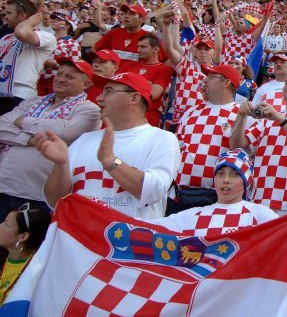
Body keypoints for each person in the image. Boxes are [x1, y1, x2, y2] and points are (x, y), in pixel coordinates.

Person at [35, 72, 180, 219]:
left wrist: (111, 161)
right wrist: (61, 164)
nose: (99, 98)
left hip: (125, 239)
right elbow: (55, 201)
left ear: (134, 97)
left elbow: (153, 192)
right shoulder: (84, 140)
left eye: (108, 91)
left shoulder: (162, 139)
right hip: (77, 238)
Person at [0, 58, 101, 221]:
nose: (61, 79)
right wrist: (30, 140)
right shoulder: (33, 101)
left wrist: (23, 121)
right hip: (3, 186)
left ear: (86, 84)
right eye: (59, 73)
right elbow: (1, 126)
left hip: (36, 195)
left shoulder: (89, 110)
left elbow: (65, 131)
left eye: (69, 77)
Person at [230, 70, 287, 214]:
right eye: (286, 82)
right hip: (259, 201)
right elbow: (236, 145)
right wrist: (241, 116)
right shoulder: (268, 119)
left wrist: (280, 119)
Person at [149, 149, 279, 237]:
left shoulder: (259, 214)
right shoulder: (196, 215)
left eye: (234, 175)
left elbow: (286, 236)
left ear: (246, 182)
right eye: (221, 174)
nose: (226, 180)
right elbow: (153, 227)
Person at [170, 64, 242, 213]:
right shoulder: (191, 111)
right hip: (180, 196)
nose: (205, 80)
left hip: (219, 199)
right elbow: (177, 148)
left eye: (211, 76)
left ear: (226, 82)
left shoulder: (241, 114)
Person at [0, 0, 56, 115]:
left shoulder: (46, 36)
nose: (5, 16)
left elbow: (21, 32)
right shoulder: (6, 38)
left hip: (19, 95)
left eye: (9, 13)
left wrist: (30, 21)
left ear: (23, 16)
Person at [0, 203, 51, 303]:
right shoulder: (3, 255)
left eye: (6, 224)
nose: (0, 226)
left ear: (23, 236)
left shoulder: (36, 271)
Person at [130, 34, 174, 126]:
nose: (138, 50)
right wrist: (146, 84)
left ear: (156, 49)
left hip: (149, 117)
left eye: (143, 47)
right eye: (138, 46)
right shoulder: (130, 66)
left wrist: (130, 84)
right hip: (126, 113)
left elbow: (154, 94)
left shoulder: (164, 69)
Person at [91, 4, 149, 69]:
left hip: (134, 78)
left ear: (142, 19)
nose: (126, 16)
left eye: (131, 14)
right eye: (125, 13)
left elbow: (159, 60)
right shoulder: (114, 33)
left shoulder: (148, 37)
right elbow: (95, 49)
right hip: (113, 77)